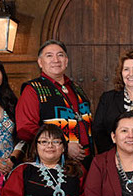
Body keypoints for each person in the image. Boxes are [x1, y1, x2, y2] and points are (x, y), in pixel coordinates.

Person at [16, 39, 93, 169]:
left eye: (60, 55)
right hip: (53, 164)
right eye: (49, 55)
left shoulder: (77, 88)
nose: (56, 60)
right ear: (40, 62)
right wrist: (63, 145)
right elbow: (25, 129)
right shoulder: (33, 89)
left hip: (87, 163)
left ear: (66, 61)